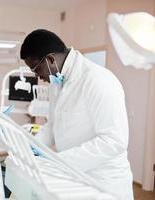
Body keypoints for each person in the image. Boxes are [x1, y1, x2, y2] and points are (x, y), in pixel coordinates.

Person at [20, 29, 134, 199]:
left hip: (104, 183)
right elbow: (53, 125)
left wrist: (57, 161)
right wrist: (31, 147)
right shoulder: (56, 82)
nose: (38, 76)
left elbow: (114, 141)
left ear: (50, 59)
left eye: (36, 70)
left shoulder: (98, 80)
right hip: (75, 178)